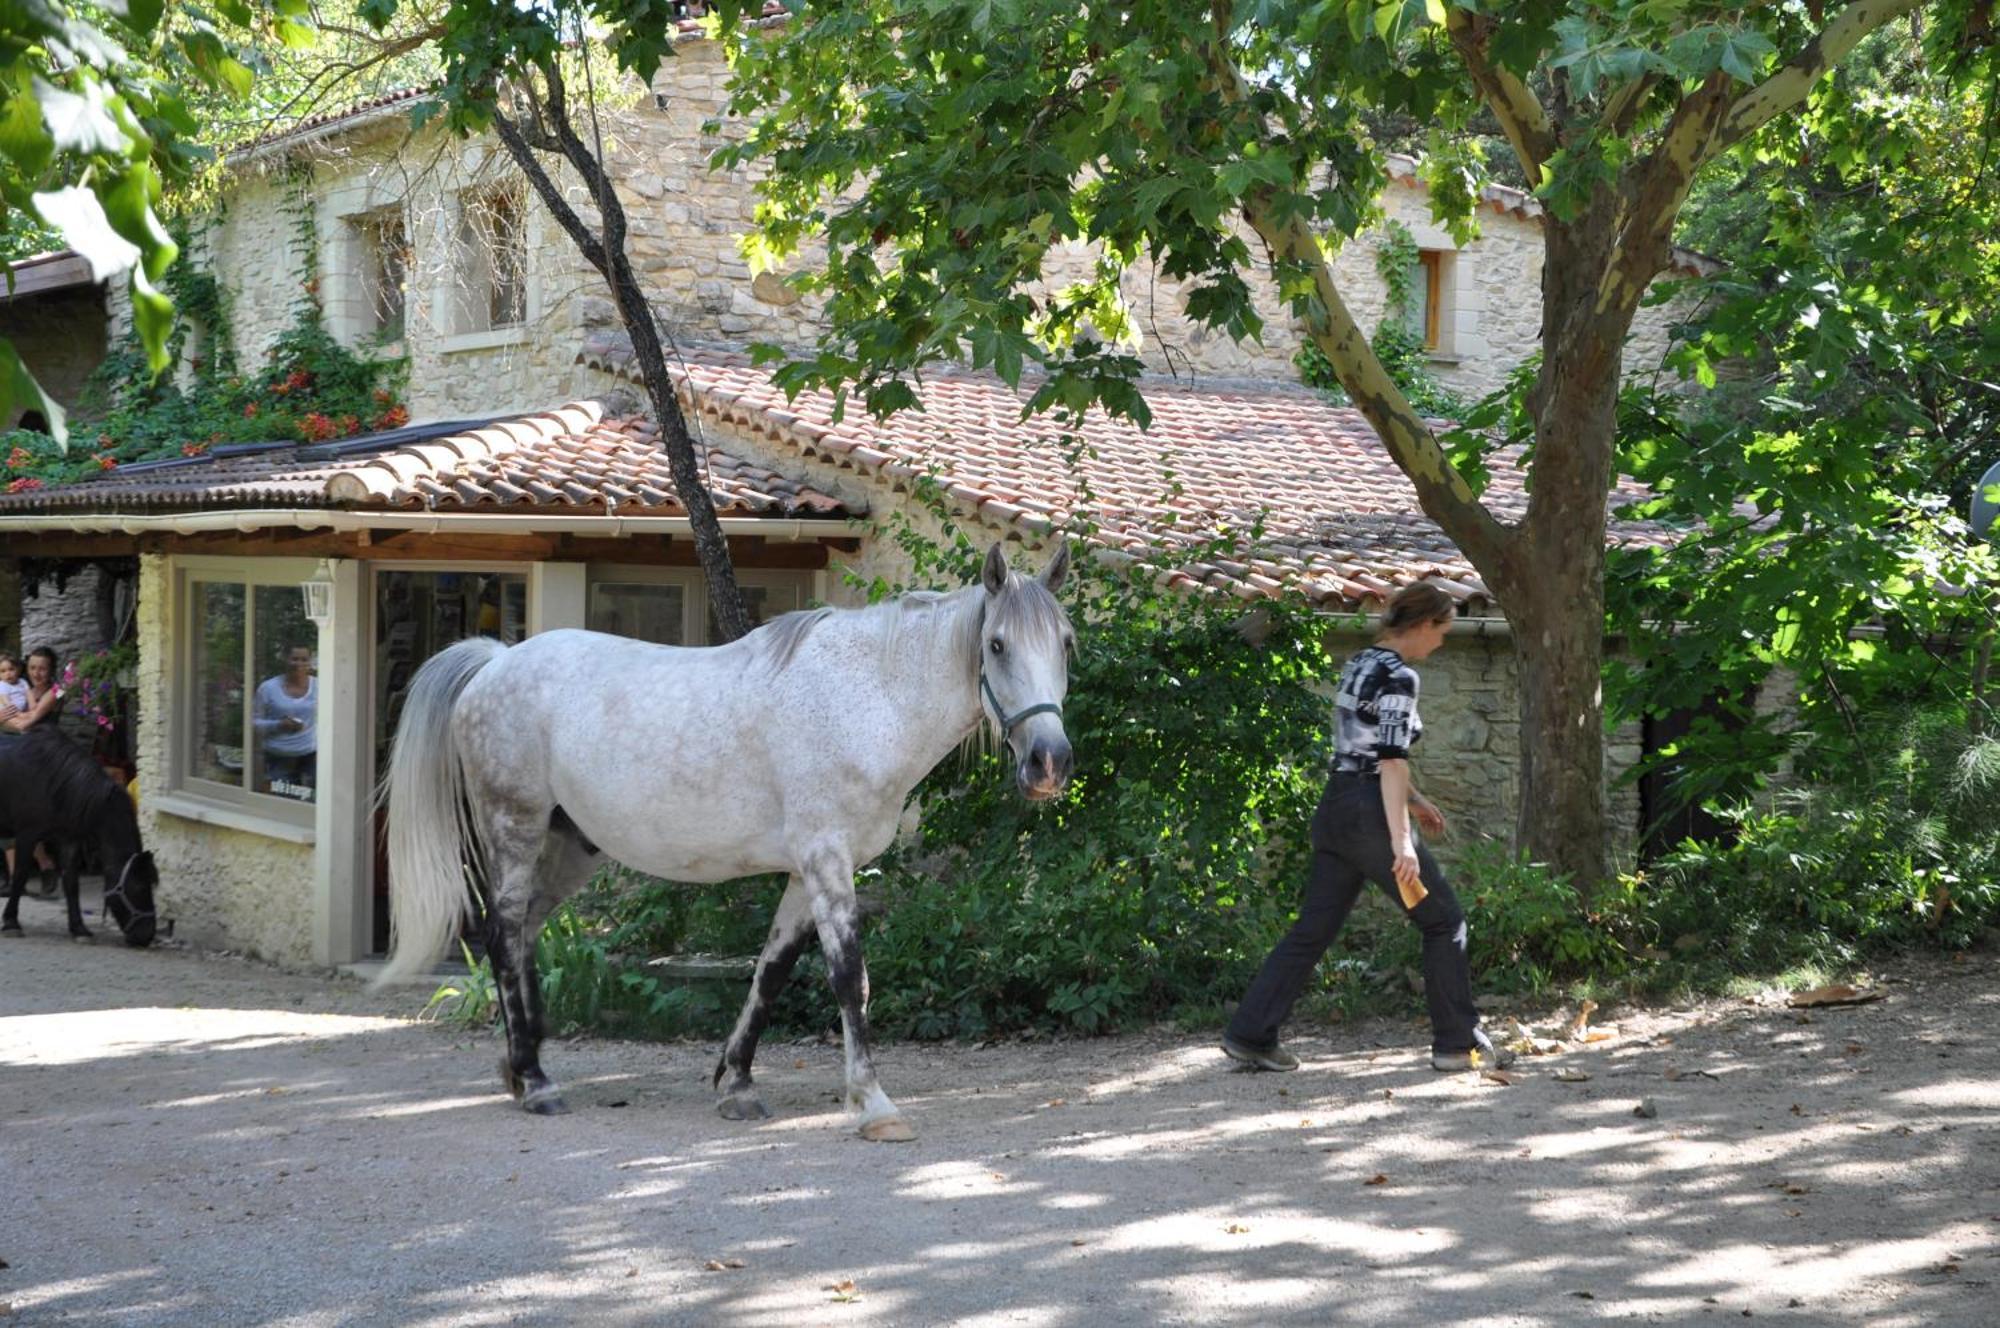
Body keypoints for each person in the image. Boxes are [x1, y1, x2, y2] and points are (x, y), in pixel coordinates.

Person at [1222, 581, 1515, 1074]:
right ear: (1423, 625)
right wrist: (1403, 841)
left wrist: (1417, 801)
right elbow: (1392, 760)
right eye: (1441, 631)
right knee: (1443, 921)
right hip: (1372, 818)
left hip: (1337, 808)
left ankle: (1251, 1034)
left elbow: (1359, 749)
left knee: (1312, 930)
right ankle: (1455, 1043)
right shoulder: (1401, 677)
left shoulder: (1361, 662)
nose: (1441, 642)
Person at [1, 646, 66, 895]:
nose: (37, 673)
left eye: (43, 668)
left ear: (51, 670)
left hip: (40, 757)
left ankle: (45, 864)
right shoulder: (17, 686)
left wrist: (7, 720)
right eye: (32, 668)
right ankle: (13, 876)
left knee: (23, 815)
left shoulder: (56, 691)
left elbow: (29, 722)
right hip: (12, 751)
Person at [252, 644, 317, 799]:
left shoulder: (321, 686)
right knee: (285, 803)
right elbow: (252, 722)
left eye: (304, 659)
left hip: (311, 757)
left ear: (310, 662)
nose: (299, 664)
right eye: (294, 659)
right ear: (285, 660)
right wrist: (278, 725)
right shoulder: (268, 688)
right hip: (279, 758)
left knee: (314, 801)